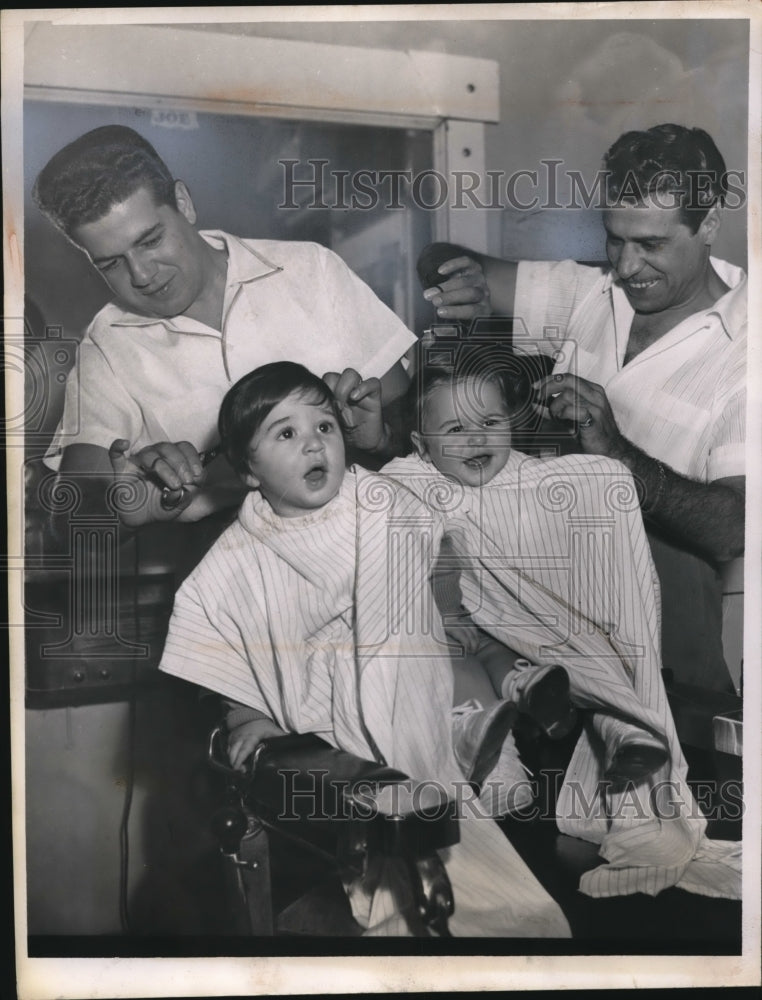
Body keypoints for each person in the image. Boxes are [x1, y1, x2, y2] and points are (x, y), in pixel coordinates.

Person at [158, 361, 571, 938]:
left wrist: (432, 612)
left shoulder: (376, 502)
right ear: (248, 470)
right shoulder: (236, 556)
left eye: (325, 427)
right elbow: (219, 640)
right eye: (286, 434)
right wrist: (247, 714)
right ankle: (457, 740)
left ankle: (459, 731)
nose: (313, 445)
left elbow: (431, 556)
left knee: (428, 660)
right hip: (325, 720)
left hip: (408, 674)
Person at [381, 348, 741, 901]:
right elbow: (410, 546)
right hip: (473, 628)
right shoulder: (412, 479)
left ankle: (624, 725)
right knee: (474, 658)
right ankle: (510, 740)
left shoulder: (531, 478)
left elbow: (586, 528)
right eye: (455, 429)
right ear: (421, 446)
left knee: (604, 482)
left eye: (491, 423)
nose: (477, 439)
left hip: (551, 626)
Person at [418, 124, 746, 693]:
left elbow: (735, 528)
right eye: (614, 239)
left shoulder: (749, 346)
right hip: (544, 611)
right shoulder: (592, 291)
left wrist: (615, 451)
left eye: (651, 244)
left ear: (710, 222)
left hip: (665, 632)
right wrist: (456, 276)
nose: (626, 266)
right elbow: (445, 256)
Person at [32, 125, 415, 532]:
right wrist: (136, 501)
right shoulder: (106, 345)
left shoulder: (309, 268)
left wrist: (378, 435)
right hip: (227, 567)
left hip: (371, 534)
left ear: (183, 203)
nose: (141, 275)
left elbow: (415, 418)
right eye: (110, 263)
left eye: (151, 240)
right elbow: (72, 518)